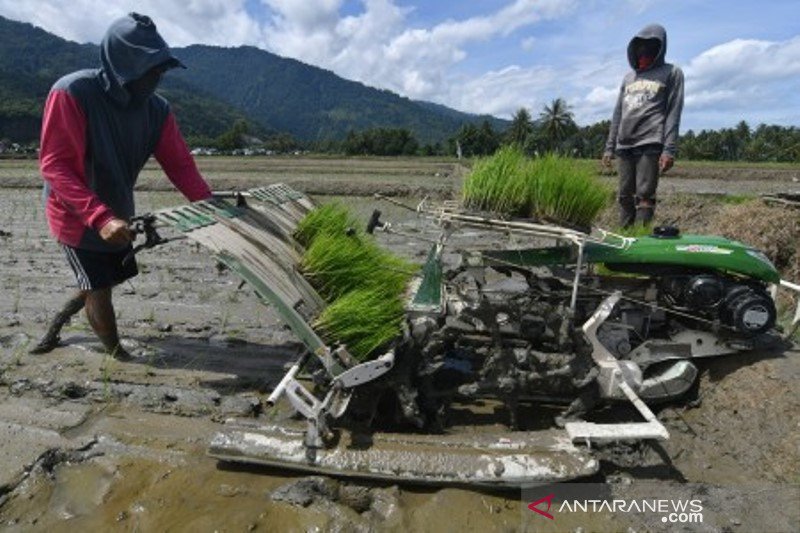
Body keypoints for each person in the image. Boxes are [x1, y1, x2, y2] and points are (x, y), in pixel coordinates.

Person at [29, 13, 213, 359]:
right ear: (123, 64)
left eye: (160, 69)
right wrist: (99, 218)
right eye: (150, 69)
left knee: (101, 279)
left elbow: (180, 165)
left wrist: (209, 205)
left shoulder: (157, 110)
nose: (157, 77)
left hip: (117, 212)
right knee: (99, 286)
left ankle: (56, 326)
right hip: (76, 214)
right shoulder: (72, 93)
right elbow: (55, 166)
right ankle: (118, 356)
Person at [602, 23, 684, 227]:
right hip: (625, 143)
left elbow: (674, 112)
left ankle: (640, 240)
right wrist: (609, 147)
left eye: (650, 45)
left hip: (650, 140)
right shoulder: (629, 78)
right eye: (640, 45)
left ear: (660, 46)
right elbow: (618, 113)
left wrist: (669, 150)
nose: (644, 50)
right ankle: (623, 241)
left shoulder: (671, 73)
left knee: (645, 194)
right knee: (623, 195)